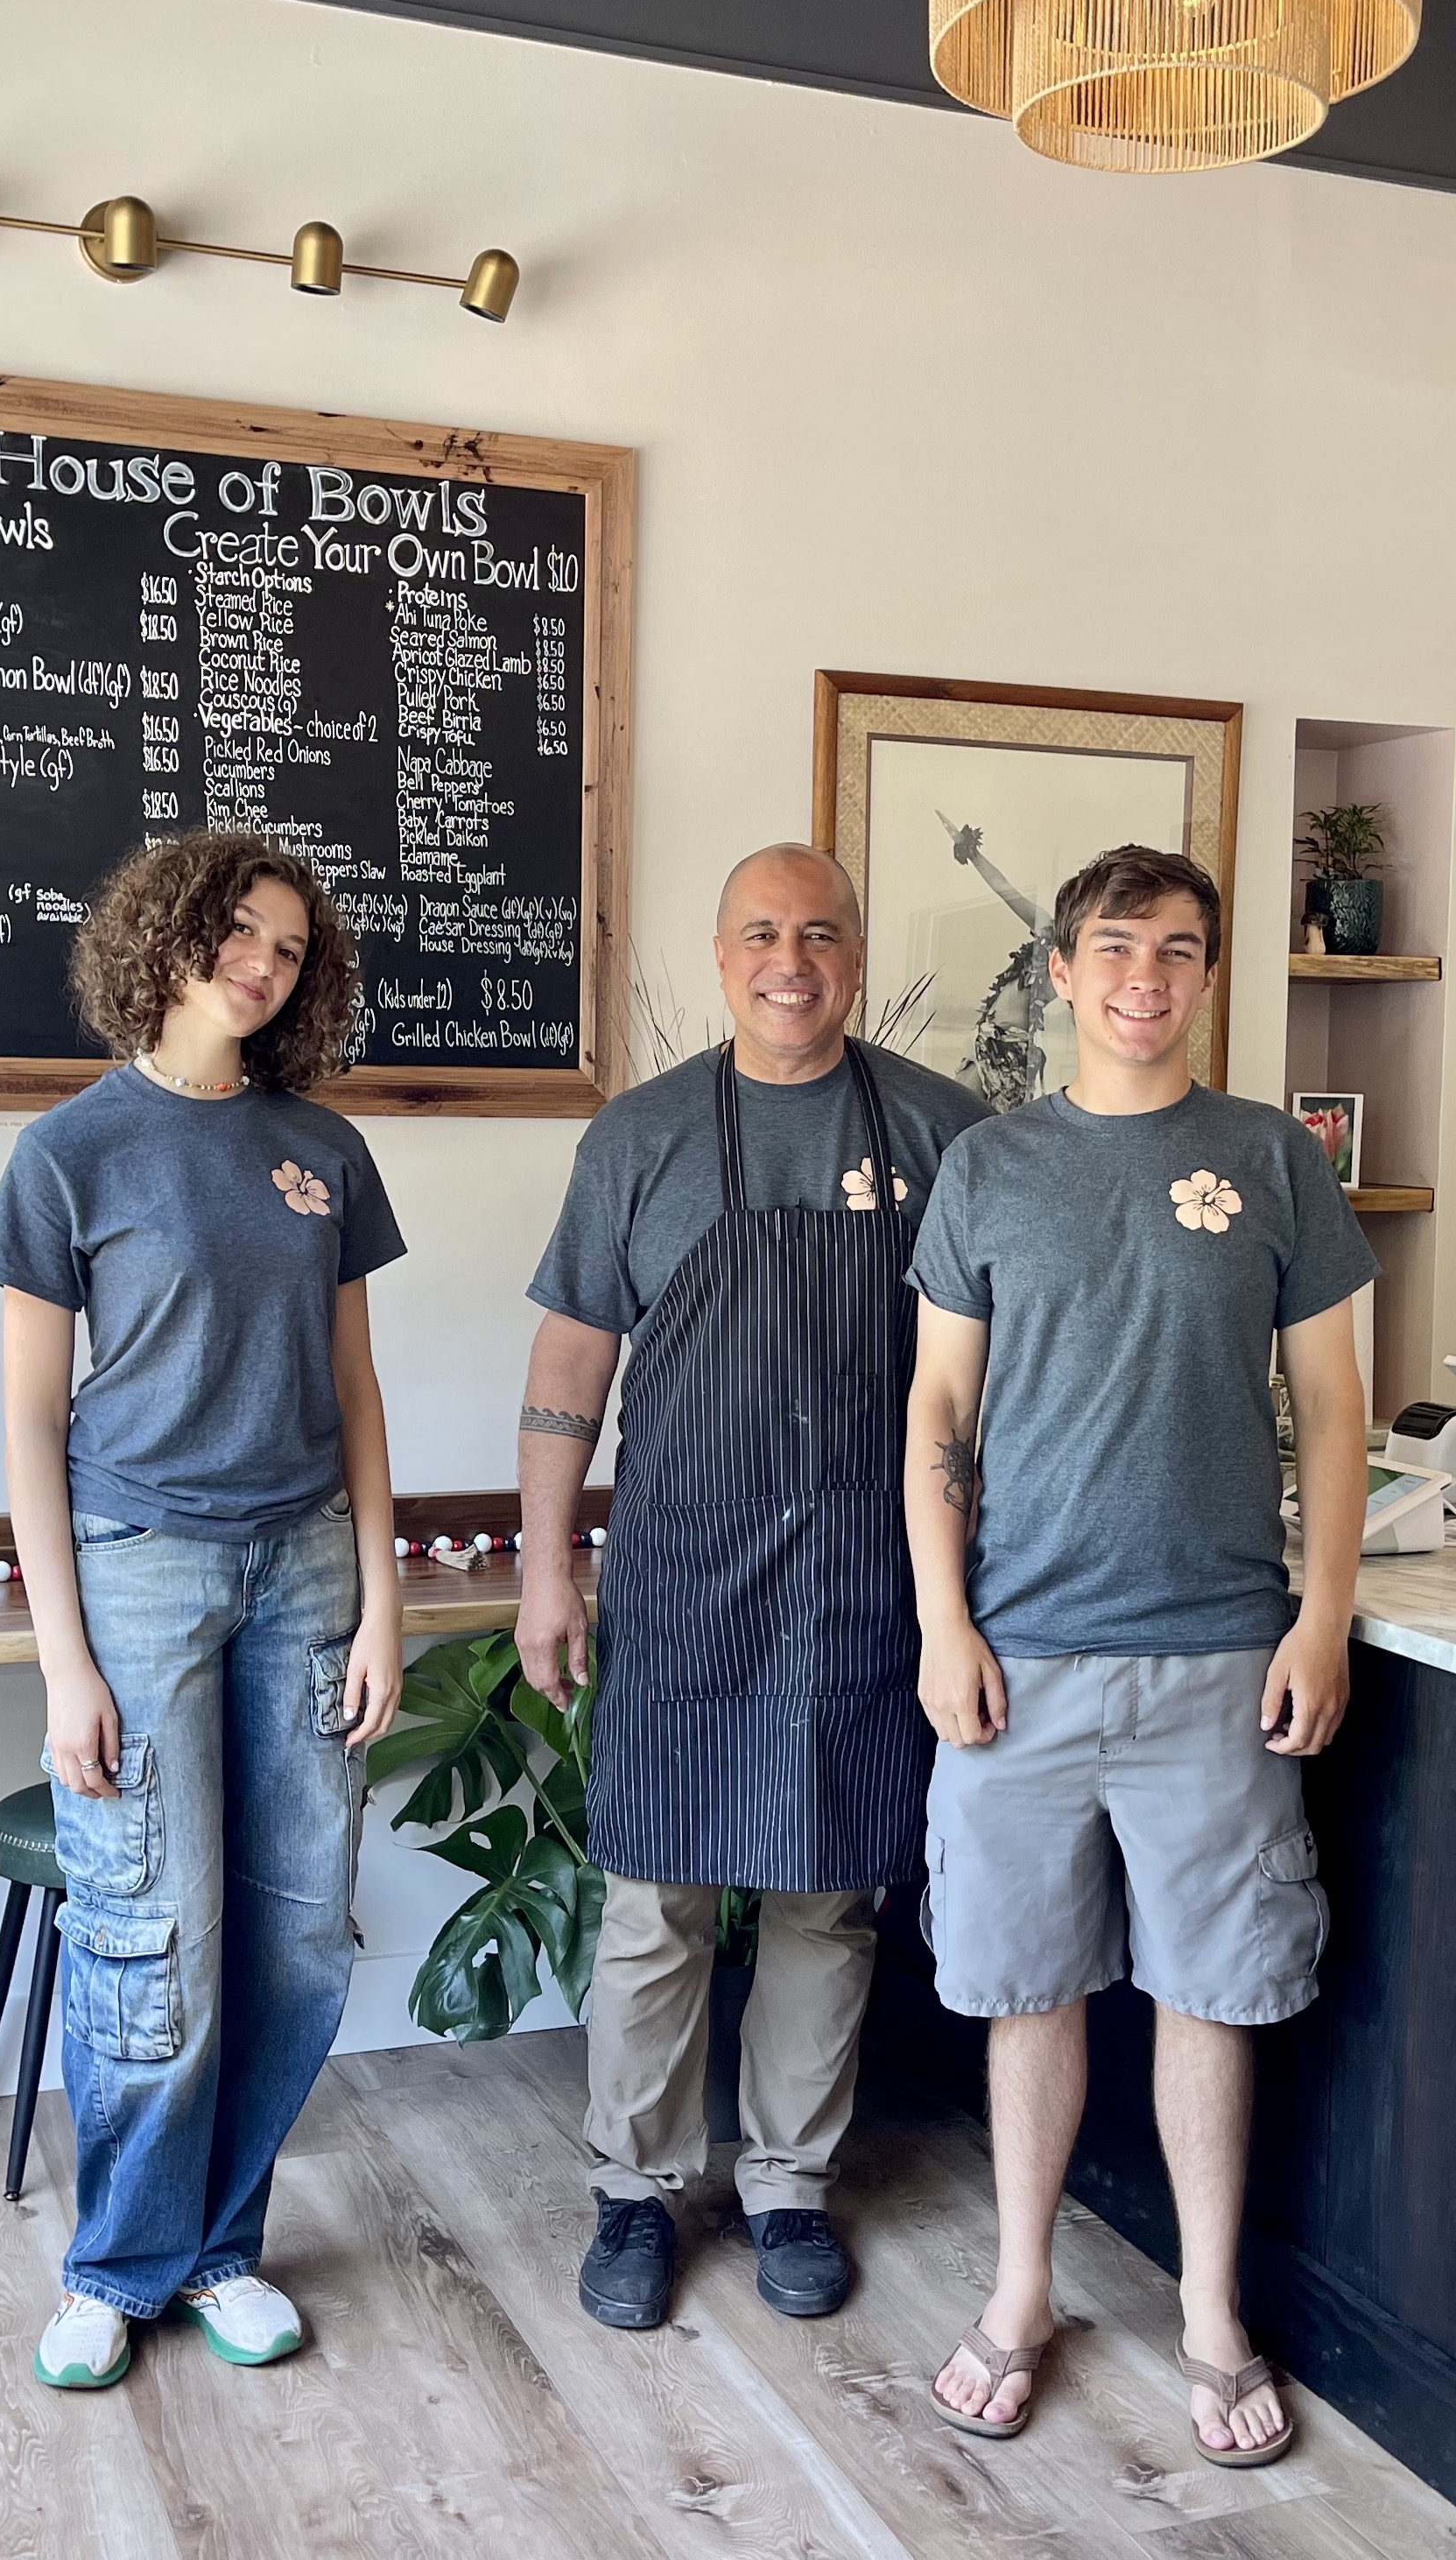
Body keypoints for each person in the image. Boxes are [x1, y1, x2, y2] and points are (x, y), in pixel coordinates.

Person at [903, 843, 1373, 2467]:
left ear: (1207, 974)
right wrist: (942, 1621)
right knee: (1026, 1991)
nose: (1143, 978)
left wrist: (1324, 1612)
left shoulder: (1271, 1158)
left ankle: (1212, 2315)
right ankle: (1023, 2290)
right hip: (1017, 1661)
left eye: (1178, 949)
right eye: (1113, 947)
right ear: (1060, 972)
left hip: (1218, 1662)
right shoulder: (990, 1168)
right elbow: (936, 1418)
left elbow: (1330, 1408)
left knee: (1211, 1992)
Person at [514, 842, 994, 2329]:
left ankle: (791, 2185)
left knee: (825, 1900)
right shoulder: (639, 1137)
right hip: (681, 1571)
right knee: (657, 1899)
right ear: (721, 957)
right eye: (763, 935)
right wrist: (547, 1566)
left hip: (867, 1576)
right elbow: (572, 1363)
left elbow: (984, 1383)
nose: (793, 960)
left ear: (857, 954)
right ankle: (636, 2194)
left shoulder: (945, 1132)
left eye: (823, 934)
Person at [0, 827, 408, 2394]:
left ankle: (224, 2245)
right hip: (139, 1575)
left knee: (296, 1938)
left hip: (304, 1572)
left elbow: (356, 1390)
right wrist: (62, 1663)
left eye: (290, 948)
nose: (262, 964)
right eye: (239, 932)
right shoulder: (70, 1155)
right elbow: (32, 1422)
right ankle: (116, 2266)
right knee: (152, 1932)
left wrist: (381, 1603)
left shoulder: (326, 1152)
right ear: (163, 936)